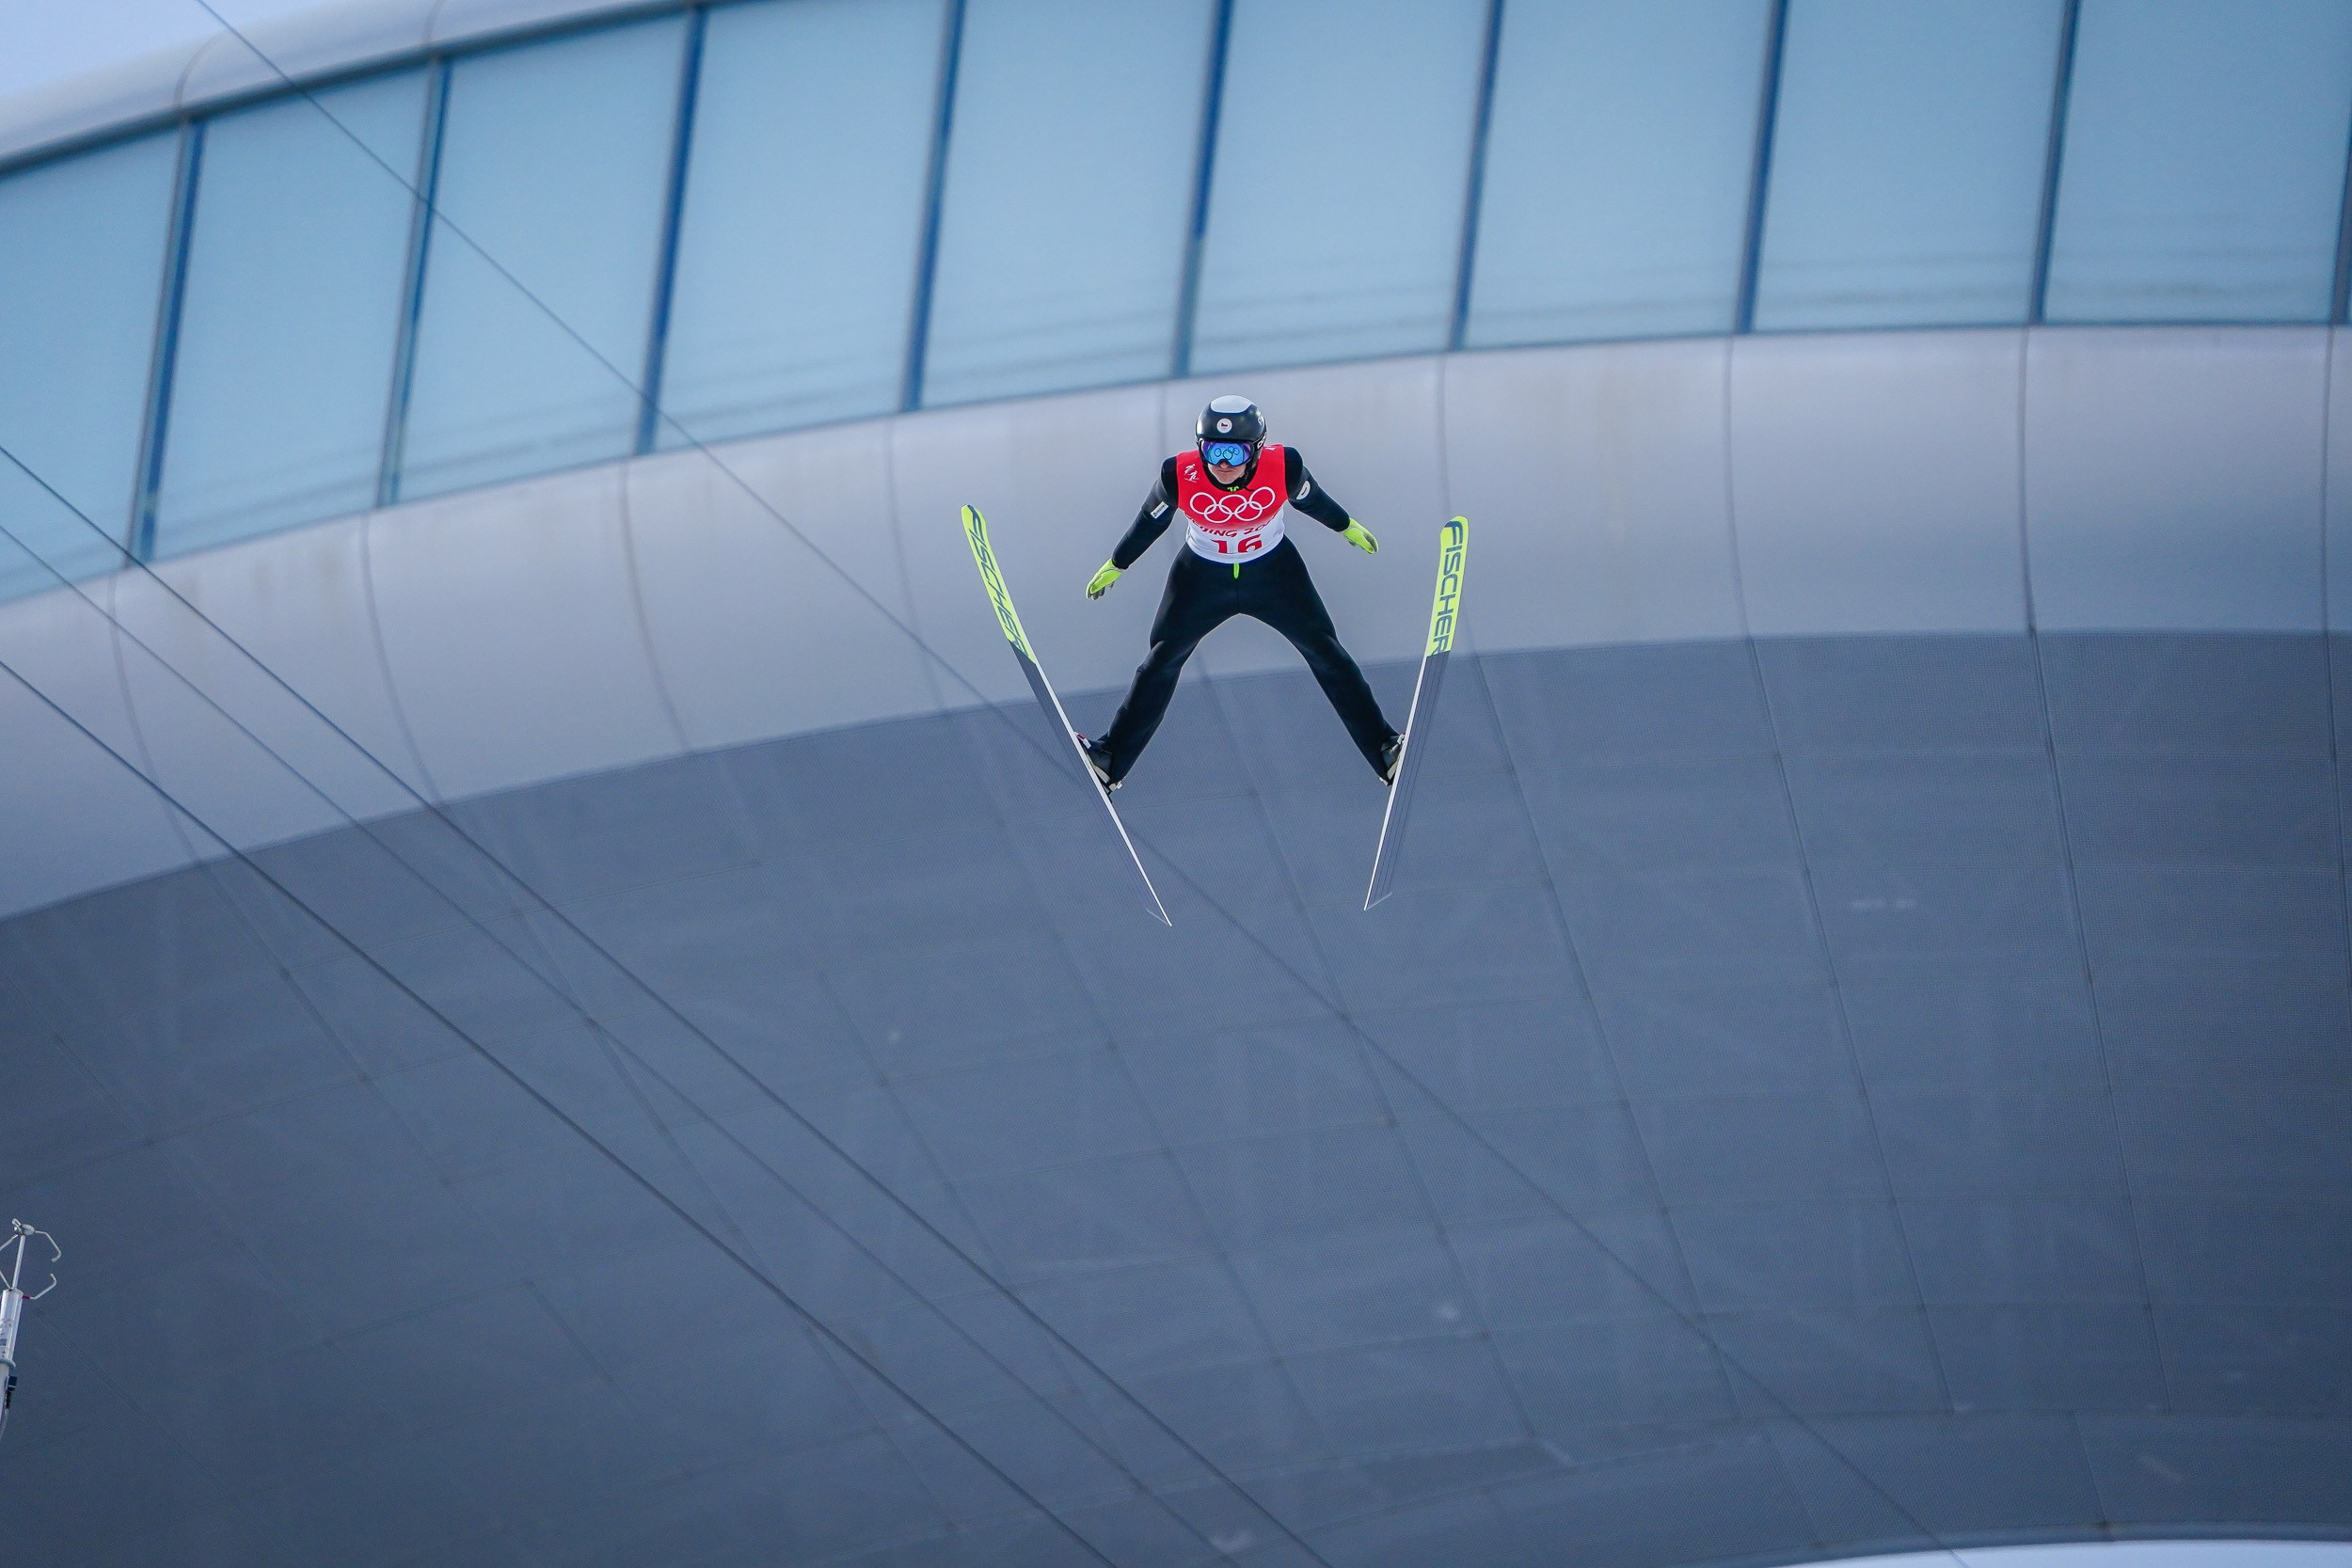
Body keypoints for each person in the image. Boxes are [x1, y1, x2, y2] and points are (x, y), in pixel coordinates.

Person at [1076, 395, 1401, 790]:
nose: (1223, 463)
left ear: (1256, 449)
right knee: (1159, 662)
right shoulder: (1178, 474)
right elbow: (1149, 521)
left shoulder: (1284, 466)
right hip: (1201, 576)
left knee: (1327, 652)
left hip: (1273, 571)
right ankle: (1110, 760)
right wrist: (1118, 563)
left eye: (1234, 451)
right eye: (1213, 450)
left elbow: (1311, 500)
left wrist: (1345, 526)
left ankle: (1385, 750)